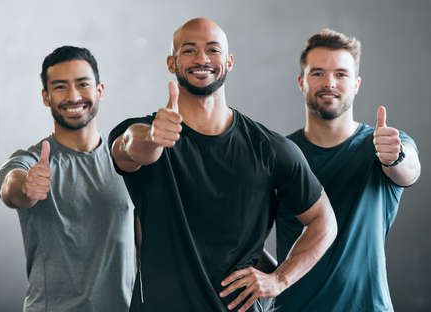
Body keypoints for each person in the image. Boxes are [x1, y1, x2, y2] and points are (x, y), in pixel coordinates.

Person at [109, 18, 337, 312]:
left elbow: (324, 221)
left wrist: (279, 279)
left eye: (212, 50)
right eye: (189, 50)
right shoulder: (140, 131)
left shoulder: (269, 148)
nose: (202, 59)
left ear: (228, 62)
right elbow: (129, 148)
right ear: (171, 62)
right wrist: (153, 138)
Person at [274, 29, 421, 311]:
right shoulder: (281, 154)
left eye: (341, 74)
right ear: (300, 82)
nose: (329, 82)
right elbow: (249, 237)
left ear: (356, 83)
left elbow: (409, 169)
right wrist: (274, 280)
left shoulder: (384, 144)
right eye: (317, 73)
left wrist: (395, 157)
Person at [0, 46, 135, 312]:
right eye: (60, 87)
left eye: (82, 84)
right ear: (46, 97)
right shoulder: (32, 162)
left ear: (100, 90)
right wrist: (25, 187)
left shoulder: (127, 160)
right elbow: (11, 188)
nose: (73, 96)